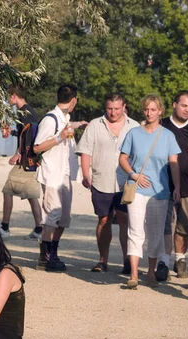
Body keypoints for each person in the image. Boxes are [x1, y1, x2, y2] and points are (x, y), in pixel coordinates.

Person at [118, 94, 181, 288]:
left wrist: (177, 187)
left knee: (155, 234)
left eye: (153, 109)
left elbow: (173, 163)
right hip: (137, 189)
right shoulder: (134, 133)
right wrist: (134, 174)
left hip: (159, 191)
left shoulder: (168, 136)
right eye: (146, 109)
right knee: (135, 230)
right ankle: (134, 274)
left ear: (160, 111)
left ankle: (151, 272)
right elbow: (122, 158)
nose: (149, 113)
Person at [76, 93, 139, 273]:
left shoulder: (134, 127)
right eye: (109, 109)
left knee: (125, 220)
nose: (113, 112)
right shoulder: (95, 125)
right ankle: (102, 260)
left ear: (124, 107)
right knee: (103, 219)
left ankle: (128, 260)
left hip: (125, 182)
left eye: (117, 109)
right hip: (101, 179)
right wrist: (86, 174)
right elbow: (86, 151)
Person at [33, 84, 87, 272]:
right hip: (52, 175)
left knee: (64, 219)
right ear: (74, 100)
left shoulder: (65, 117)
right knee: (52, 216)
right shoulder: (50, 119)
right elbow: (37, 147)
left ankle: (53, 252)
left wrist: (77, 125)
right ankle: (45, 258)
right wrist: (60, 137)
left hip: (64, 174)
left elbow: (67, 127)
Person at [159, 91, 188, 280]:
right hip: (163, 183)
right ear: (174, 104)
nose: (187, 110)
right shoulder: (162, 126)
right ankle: (163, 262)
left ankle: (180, 259)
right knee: (165, 225)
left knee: (184, 226)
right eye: (184, 105)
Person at [0, 84, 43, 240]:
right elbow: (24, 134)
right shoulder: (27, 111)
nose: (7, 100)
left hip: (25, 161)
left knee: (7, 191)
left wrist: (18, 153)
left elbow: (30, 136)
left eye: (8, 96)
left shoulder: (26, 113)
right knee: (31, 195)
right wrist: (13, 132)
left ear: (14, 96)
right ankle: (39, 228)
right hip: (29, 161)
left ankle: (5, 226)